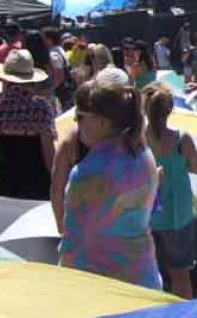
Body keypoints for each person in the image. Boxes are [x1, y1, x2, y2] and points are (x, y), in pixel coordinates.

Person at [59, 84, 161, 289]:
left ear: (102, 122)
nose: (76, 124)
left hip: (99, 287)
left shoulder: (86, 173)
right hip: (143, 278)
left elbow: (70, 244)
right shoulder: (143, 155)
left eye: (80, 116)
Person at [143, 83, 197, 299]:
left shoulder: (138, 140)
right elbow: (196, 167)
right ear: (169, 110)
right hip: (178, 216)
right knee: (181, 275)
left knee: (151, 276)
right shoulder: (181, 139)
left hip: (147, 215)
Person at [0, 49, 56, 200]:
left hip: (5, 182)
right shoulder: (41, 107)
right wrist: (56, 184)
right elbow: (49, 154)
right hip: (37, 182)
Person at [51, 80, 94, 232]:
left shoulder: (70, 139)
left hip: (79, 224)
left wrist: (61, 228)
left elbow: (57, 189)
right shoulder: (114, 136)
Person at [42, 27, 74, 110]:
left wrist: (51, 89)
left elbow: (59, 76)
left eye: (43, 38)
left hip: (61, 93)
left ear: (49, 39)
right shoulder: (60, 49)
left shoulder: (53, 54)